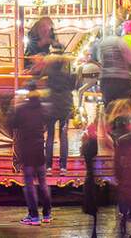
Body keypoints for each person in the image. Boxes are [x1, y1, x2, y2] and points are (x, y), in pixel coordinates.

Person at [11, 85, 51, 226]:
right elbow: (46, 123)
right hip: (40, 148)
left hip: (27, 149)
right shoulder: (43, 109)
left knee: (29, 185)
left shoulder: (21, 109)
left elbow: (13, 124)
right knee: (43, 183)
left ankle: (34, 216)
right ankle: (47, 214)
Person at [38, 44, 76, 172]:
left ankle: (48, 165)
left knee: (50, 135)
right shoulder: (67, 74)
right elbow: (72, 86)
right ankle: (63, 166)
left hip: (52, 106)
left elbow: (41, 84)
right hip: (64, 106)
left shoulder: (47, 72)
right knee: (63, 136)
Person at [93, 26, 131, 106]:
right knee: (122, 107)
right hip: (121, 79)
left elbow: (100, 59)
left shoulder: (102, 43)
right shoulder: (120, 42)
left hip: (105, 79)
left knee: (109, 107)